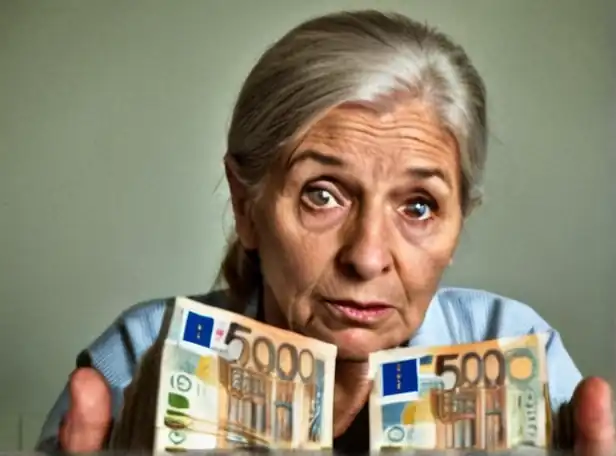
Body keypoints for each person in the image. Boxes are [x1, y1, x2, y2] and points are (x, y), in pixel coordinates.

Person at [36, 9, 614, 453]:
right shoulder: (141, 357)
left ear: (459, 223)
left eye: (418, 207)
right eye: (323, 195)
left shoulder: (519, 347)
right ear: (246, 206)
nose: (366, 258)